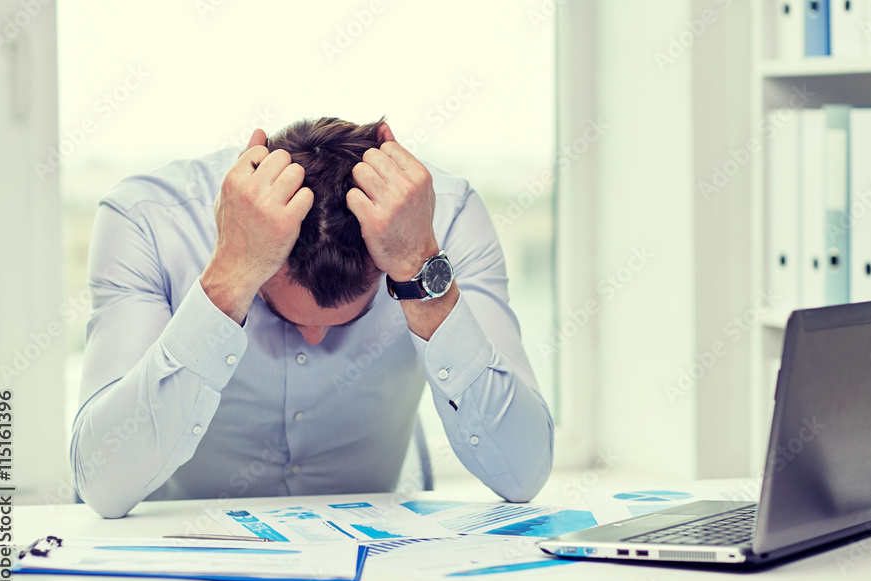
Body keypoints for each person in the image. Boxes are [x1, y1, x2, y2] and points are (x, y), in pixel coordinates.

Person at [71, 116, 554, 518]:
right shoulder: (148, 218)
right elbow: (103, 482)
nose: (314, 336)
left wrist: (419, 269)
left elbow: (523, 471)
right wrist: (231, 276)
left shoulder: (442, 219)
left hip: (381, 568)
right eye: (282, 310)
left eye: (349, 318)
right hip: (178, 562)